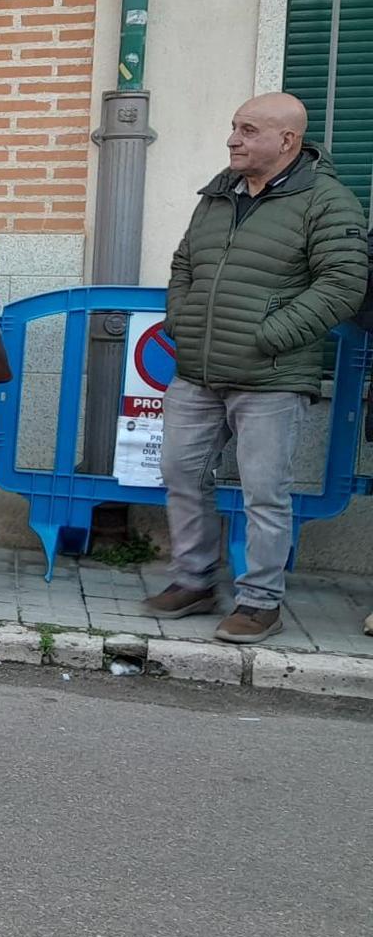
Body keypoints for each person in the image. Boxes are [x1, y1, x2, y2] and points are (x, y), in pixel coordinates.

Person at [148, 93, 365, 644]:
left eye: (247, 130)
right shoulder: (219, 193)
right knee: (180, 473)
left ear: (286, 140)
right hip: (197, 369)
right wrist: (181, 319)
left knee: (265, 492)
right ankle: (194, 580)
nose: (232, 139)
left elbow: (343, 284)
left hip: (271, 377)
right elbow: (184, 262)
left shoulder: (327, 201)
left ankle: (261, 602)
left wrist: (269, 336)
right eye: (233, 127)